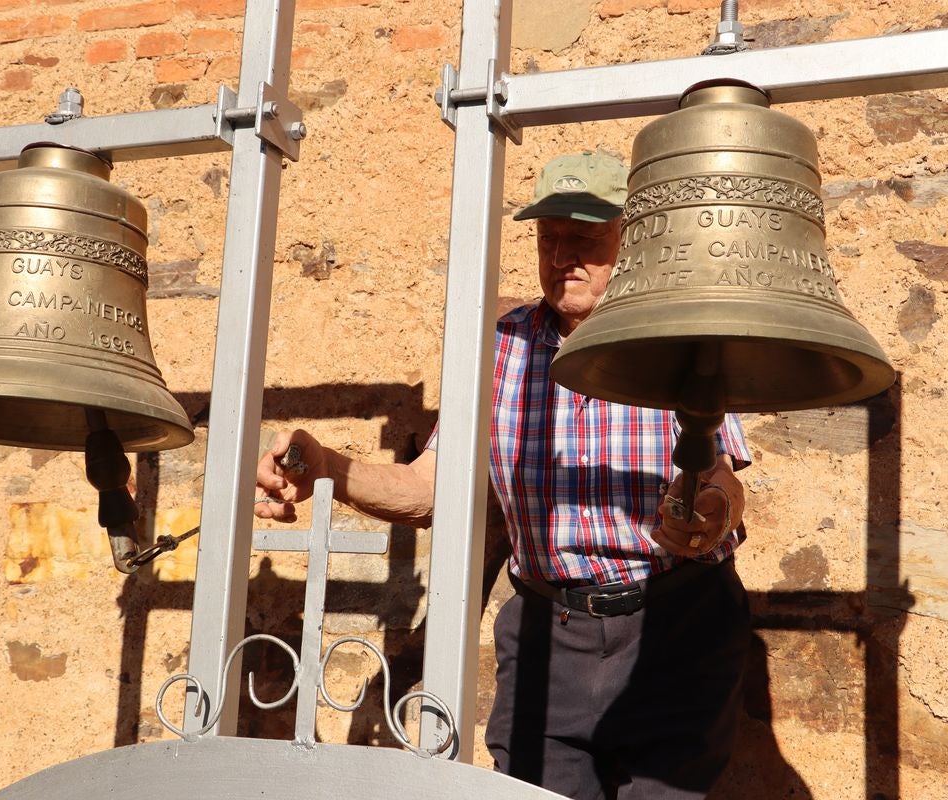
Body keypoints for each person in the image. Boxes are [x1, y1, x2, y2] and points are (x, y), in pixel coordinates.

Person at [254, 151, 752, 800]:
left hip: (675, 625)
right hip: (551, 632)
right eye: (550, 238)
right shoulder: (502, 349)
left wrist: (714, 507)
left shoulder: (674, 336)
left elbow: (721, 476)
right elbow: (428, 490)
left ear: (630, 242)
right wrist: (327, 467)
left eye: (585, 238)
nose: (562, 255)